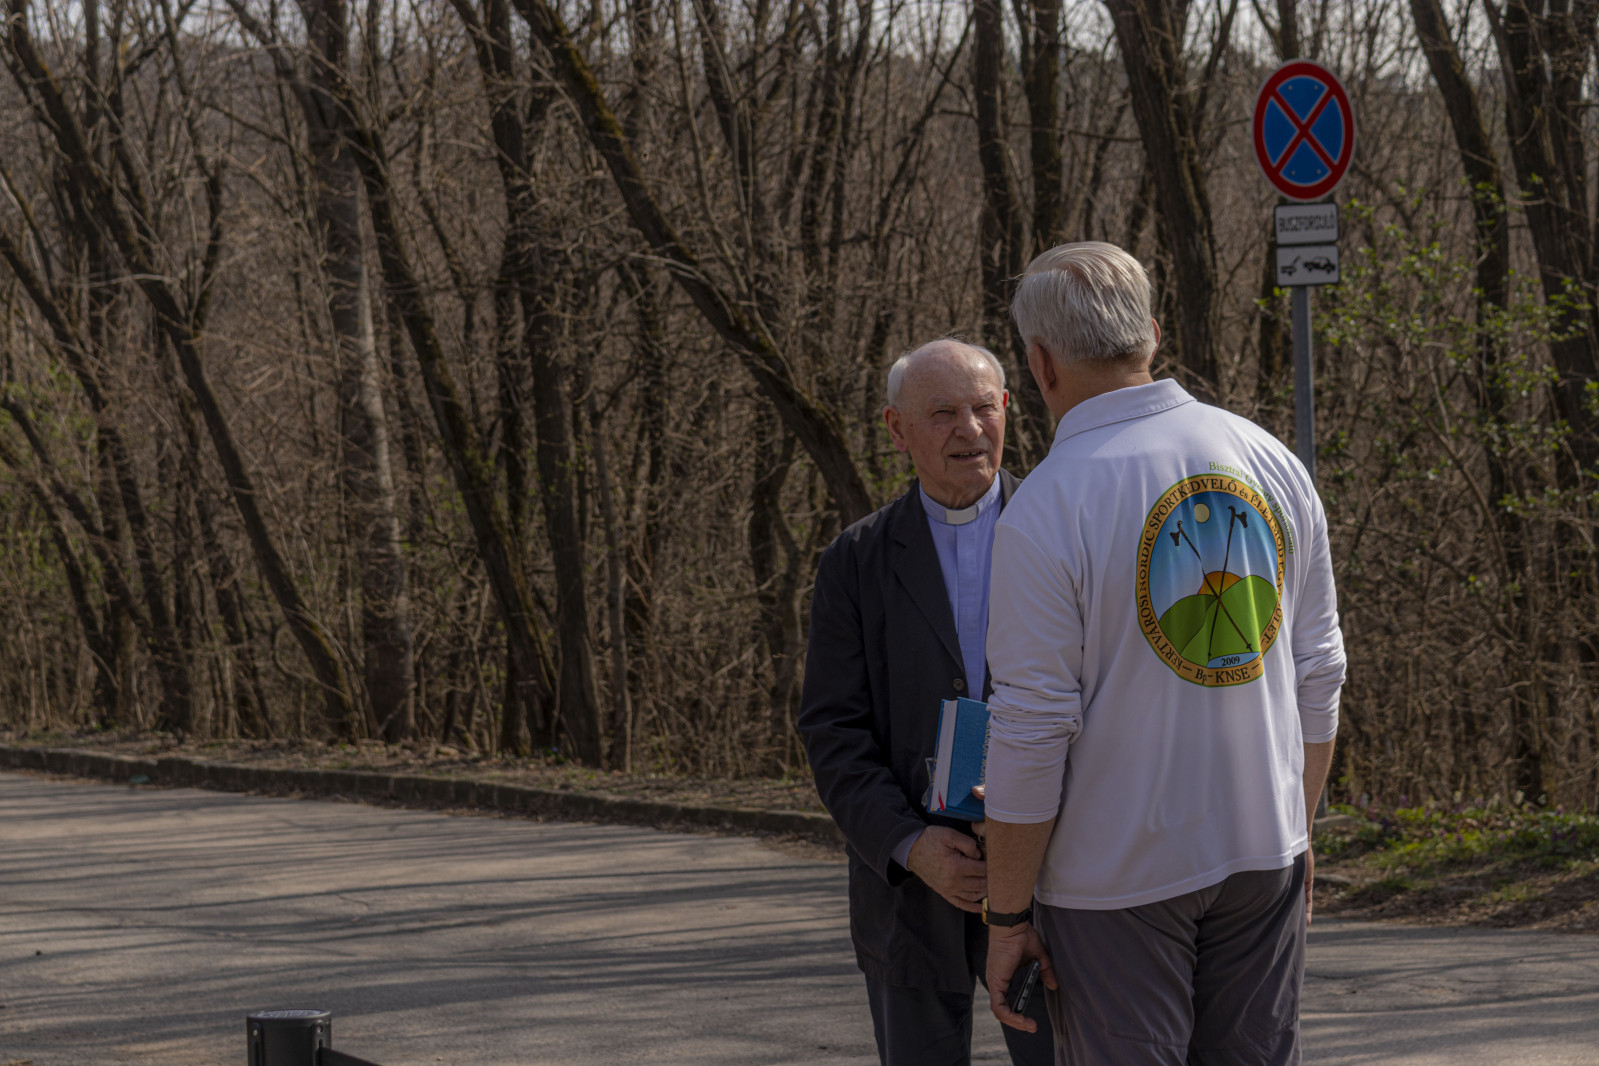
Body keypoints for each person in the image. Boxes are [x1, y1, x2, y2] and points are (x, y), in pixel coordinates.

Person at [979, 242, 1346, 1065]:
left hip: (1114, 878)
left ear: (1040, 363)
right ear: (1150, 333)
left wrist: (1006, 917)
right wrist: (1295, 827)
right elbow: (1319, 670)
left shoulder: (1045, 506)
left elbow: (1031, 730)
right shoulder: (1270, 459)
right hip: (1261, 847)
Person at [798, 339, 1053, 1066]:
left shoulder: (1063, 530)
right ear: (897, 429)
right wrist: (911, 846)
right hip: (910, 895)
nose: (969, 430)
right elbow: (832, 729)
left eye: (983, 408)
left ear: (1007, 410)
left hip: (1049, 879)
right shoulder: (855, 561)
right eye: (942, 413)